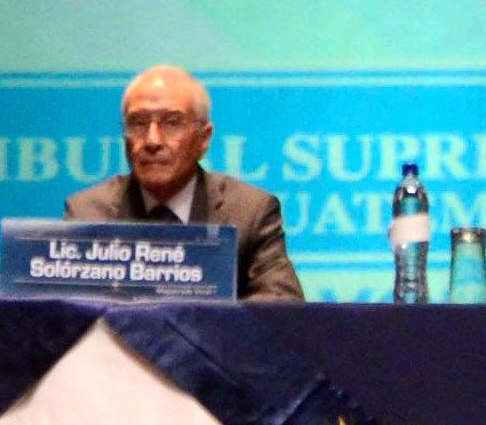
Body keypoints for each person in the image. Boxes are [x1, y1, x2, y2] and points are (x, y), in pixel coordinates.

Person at [57, 65, 302, 301]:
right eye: (139, 123)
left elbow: (282, 307)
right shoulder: (87, 214)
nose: (152, 140)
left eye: (172, 122)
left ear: (204, 138)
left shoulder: (249, 212)